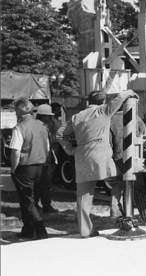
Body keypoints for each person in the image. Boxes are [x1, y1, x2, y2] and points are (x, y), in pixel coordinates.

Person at [59, 89, 138, 238]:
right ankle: (118, 213)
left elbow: (59, 134)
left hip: (82, 159)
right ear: (103, 101)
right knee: (121, 180)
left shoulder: (77, 116)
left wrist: (70, 150)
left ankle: (85, 231)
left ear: (88, 102)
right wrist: (131, 92)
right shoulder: (104, 111)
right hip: (102, 159)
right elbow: (120, 98)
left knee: (83, 197)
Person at [8, 98, 50, 240]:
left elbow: (15, 151)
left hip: (25, 167)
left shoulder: (19, 127)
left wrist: (13, 168)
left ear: (19, 111)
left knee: (27, 201)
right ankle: (28, 231)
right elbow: (48, 147)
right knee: (32, 200)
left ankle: (40, 229)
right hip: (41, 167)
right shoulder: (42, 126)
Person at [108, 109, 146, 226]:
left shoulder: (111, 120)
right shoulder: (137, 118)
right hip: (135, 156)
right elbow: (145, 137)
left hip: (119, 157)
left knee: (123, 186)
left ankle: (124, 218)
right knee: (138, 187)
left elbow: (109, 143)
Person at [33, 103, 59, 214]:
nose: (50, 117)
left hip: (46, 157)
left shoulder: (46, 125)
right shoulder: (42, 126)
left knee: (44, 183)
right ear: (43, 116)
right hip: (42, 158)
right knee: (42, 184)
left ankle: (42, 205)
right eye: (49, 116)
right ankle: (41, 205)